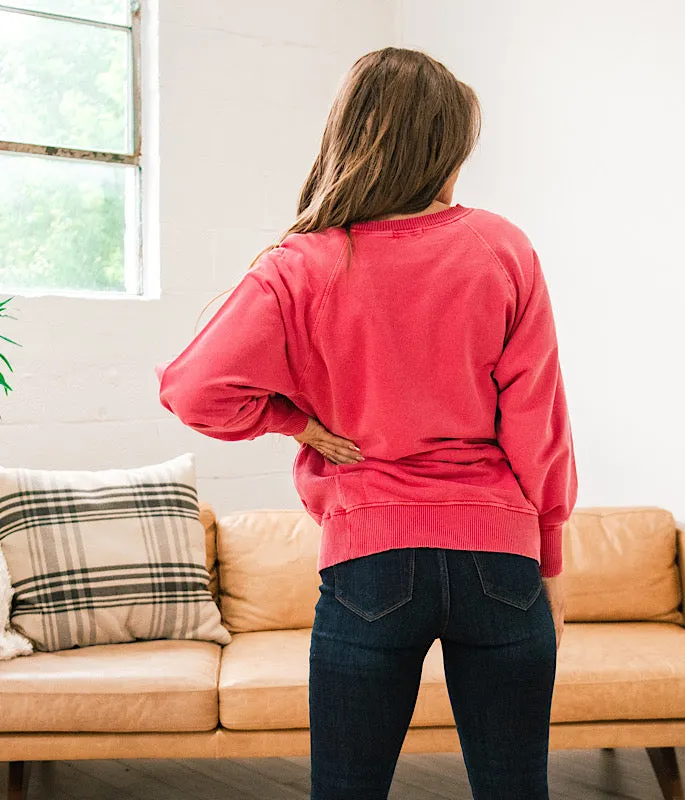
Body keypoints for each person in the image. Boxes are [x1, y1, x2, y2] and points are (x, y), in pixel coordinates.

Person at [155, 45, 578, 800]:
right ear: (441, 148)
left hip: (370, 558)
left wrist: (296, 421)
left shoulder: (303, 262)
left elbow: (194, 390)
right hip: (498, 557)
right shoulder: (502, 248)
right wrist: (547, 553)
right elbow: (538, 424)